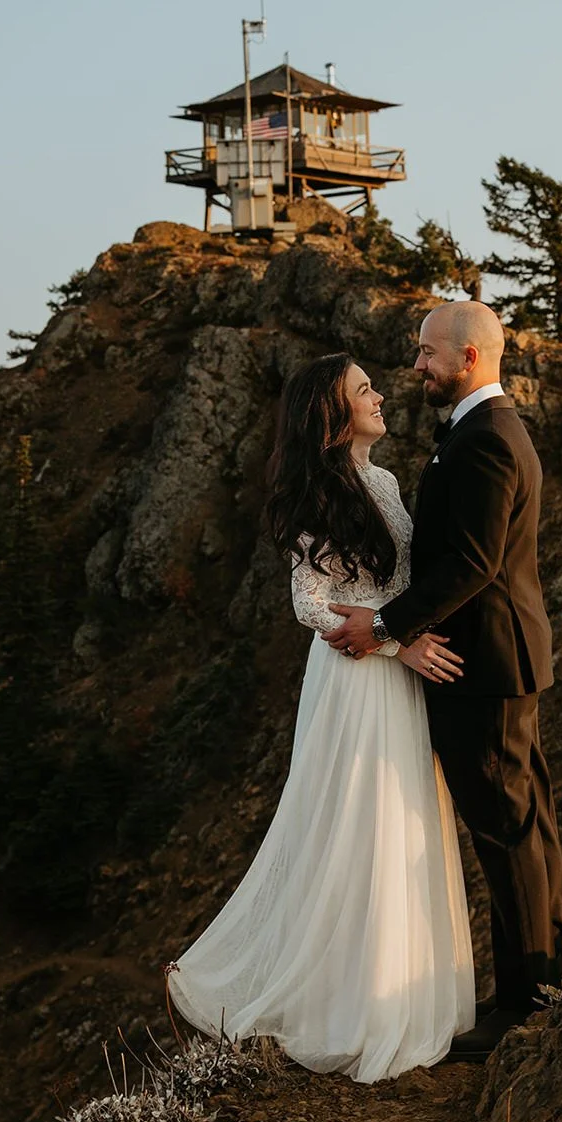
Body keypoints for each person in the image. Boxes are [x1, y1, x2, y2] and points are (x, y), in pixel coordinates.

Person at [166, 352, 475, 1083]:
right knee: (357, 829)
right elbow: (309, 603)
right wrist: (396, 642)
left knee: (401, 824)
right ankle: (347, 1008)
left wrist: (405, 631)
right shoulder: (318, 492)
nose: (378, 395)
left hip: (395, 676)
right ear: (332, 416)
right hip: (356, 677)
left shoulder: (389, 482)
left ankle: (393, 991)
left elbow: (402, 583)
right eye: (362, 390)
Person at [324, 301, 562, 1060]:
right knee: (525, 826)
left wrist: (385, 628)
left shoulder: (488, 440)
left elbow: (473, 564)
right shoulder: (480, 433)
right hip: (493, 660)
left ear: (468, 359)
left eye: (428, 352)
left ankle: (526, 1008)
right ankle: (541, 985)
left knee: (506, 832)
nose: (416, 363)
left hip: (482, 663)